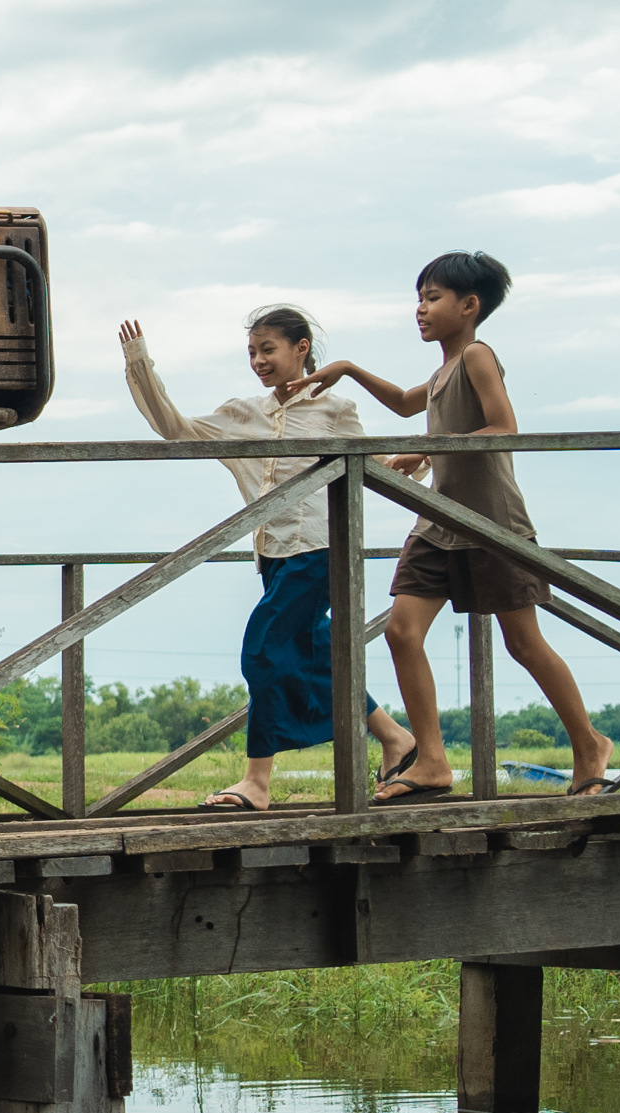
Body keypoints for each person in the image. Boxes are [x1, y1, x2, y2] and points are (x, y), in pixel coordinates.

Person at [311, 253, 620, 803]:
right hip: (439, 522)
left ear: (469, 305)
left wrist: (424, 449)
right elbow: (409, 405)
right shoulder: (440, 374)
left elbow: (503, 427)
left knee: (524, 643)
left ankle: (590, 745)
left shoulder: (478, 356)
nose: (421, 308)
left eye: (432, 298)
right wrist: (347, 370)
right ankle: (431, 760)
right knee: (401, 632)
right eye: (419, 298)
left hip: (490, 523)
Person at [116, 303, 410, 808]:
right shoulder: (243, 415)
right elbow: (175, 428)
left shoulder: (334, 411)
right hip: (271, 555)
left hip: (319, 550)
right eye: (252, 352)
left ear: (301, 349)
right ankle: (394, 737)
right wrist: (139, 363)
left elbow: (378, 467)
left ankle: (257, 781)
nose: (258, 360)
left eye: (267, 349)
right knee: (317, 654)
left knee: (263, 650)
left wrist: (416, 459)